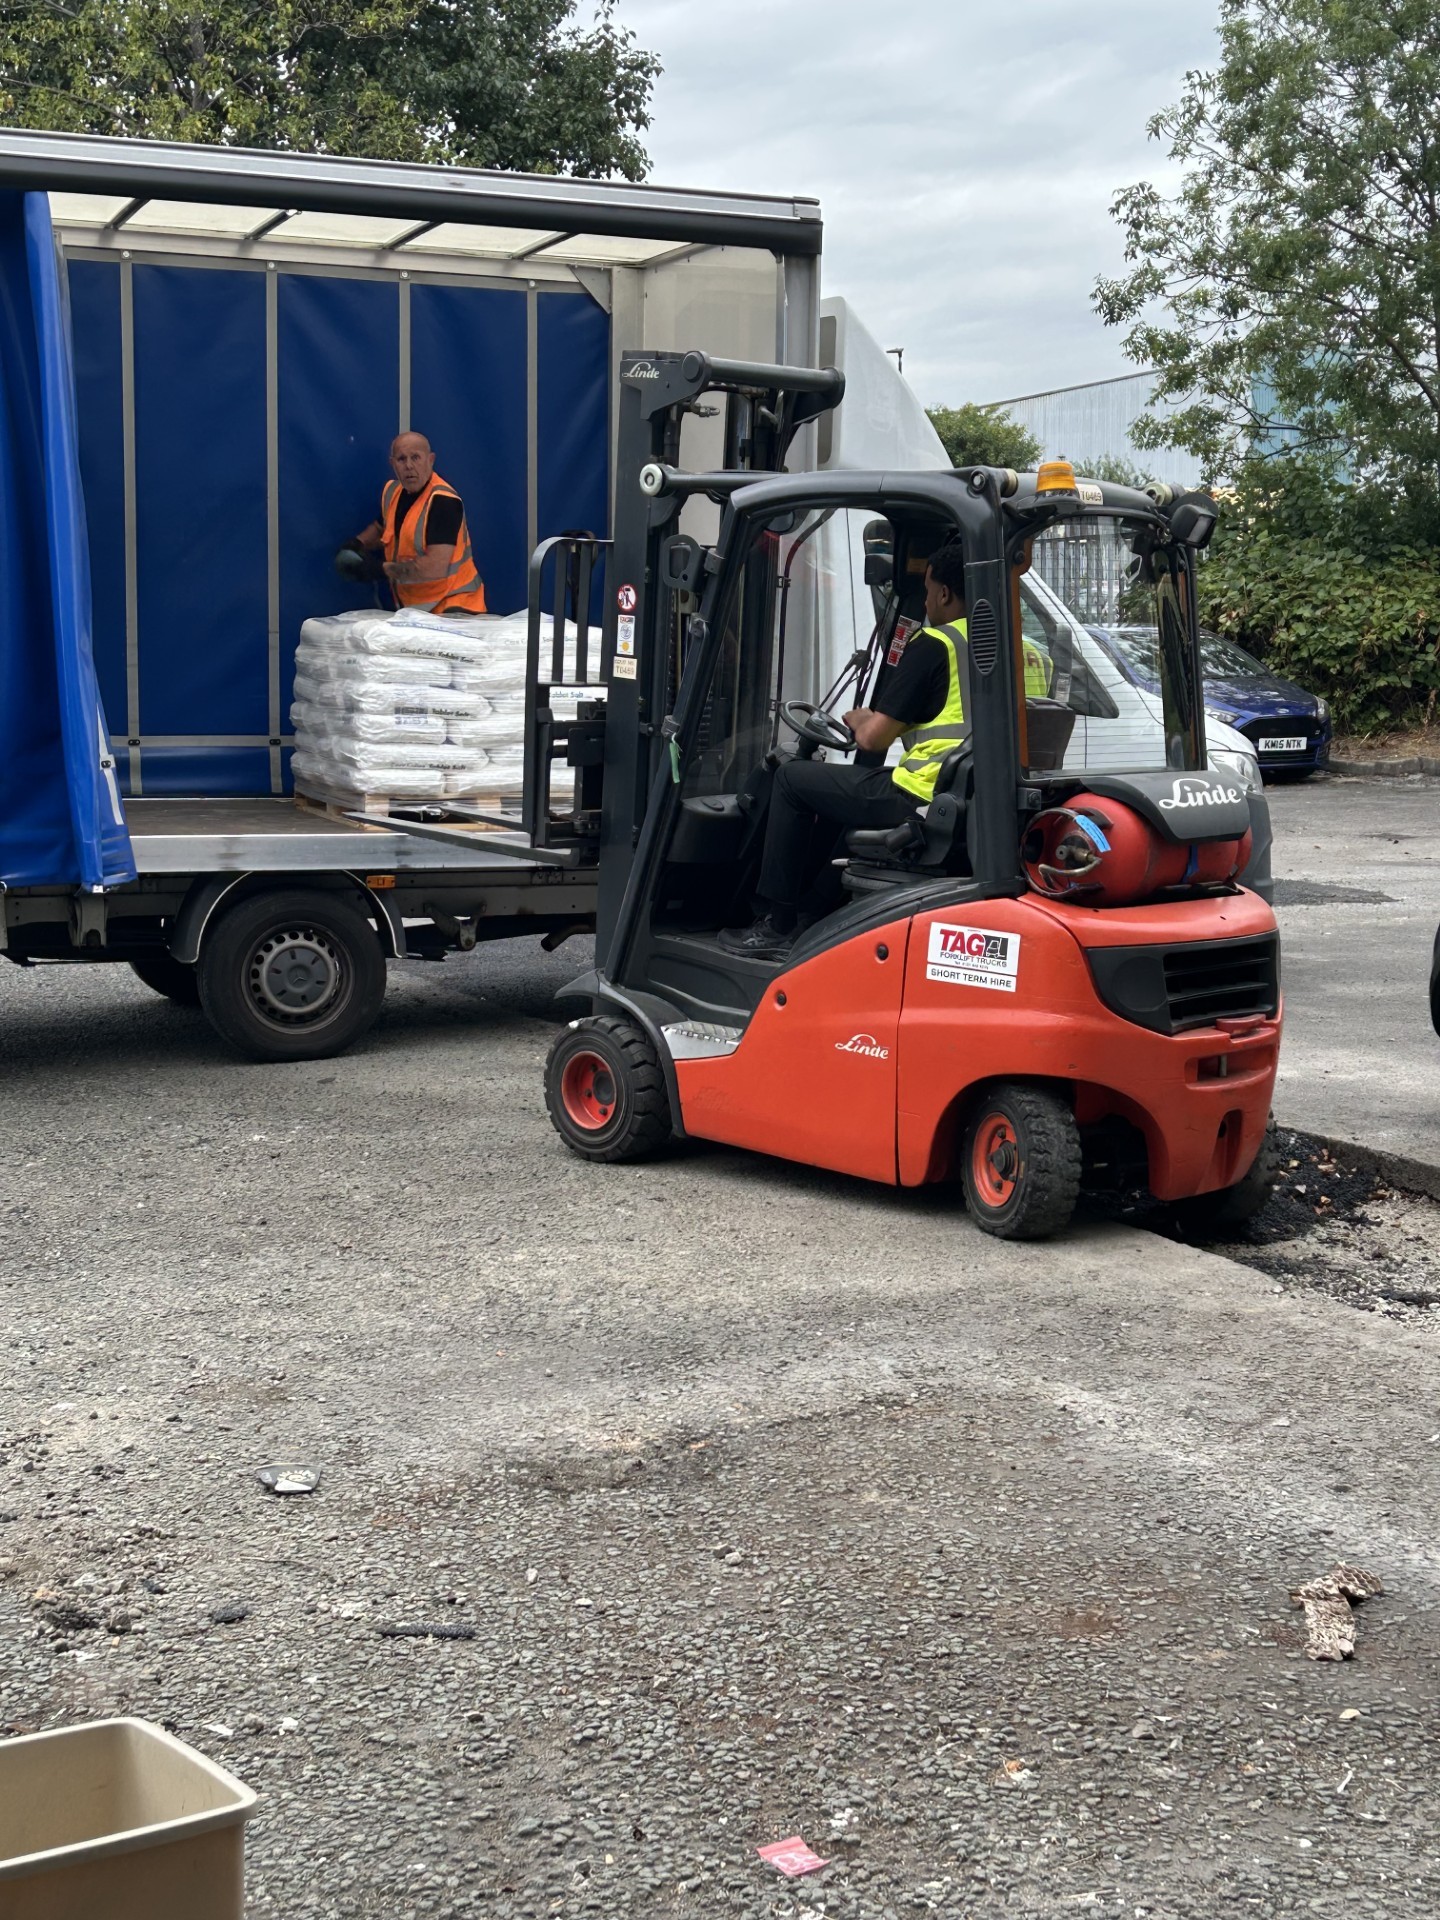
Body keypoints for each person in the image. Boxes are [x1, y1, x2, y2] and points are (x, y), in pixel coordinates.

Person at [718, 541, 974, 959]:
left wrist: (860, 720)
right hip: (965, 799)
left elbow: (874, 739)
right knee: (847, 795)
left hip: (920, 796)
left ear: (945, 593)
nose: (925, 601)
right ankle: (814, 913)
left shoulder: (937, 645)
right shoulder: (1020, 649)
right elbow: (952, 710)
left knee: (790, 780)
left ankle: (777, 926)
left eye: (927, 591)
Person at [337, 431, 488, 615]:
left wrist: (380, 570)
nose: (409, 466)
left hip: (456, 608)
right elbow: (382, 527)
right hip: (418, 611)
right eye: (401, 459)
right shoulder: (393, 492)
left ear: (430, 460)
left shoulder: (443, 501)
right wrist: (358, 544)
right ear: (393, 464)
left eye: (415, 458)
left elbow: (435, 568)